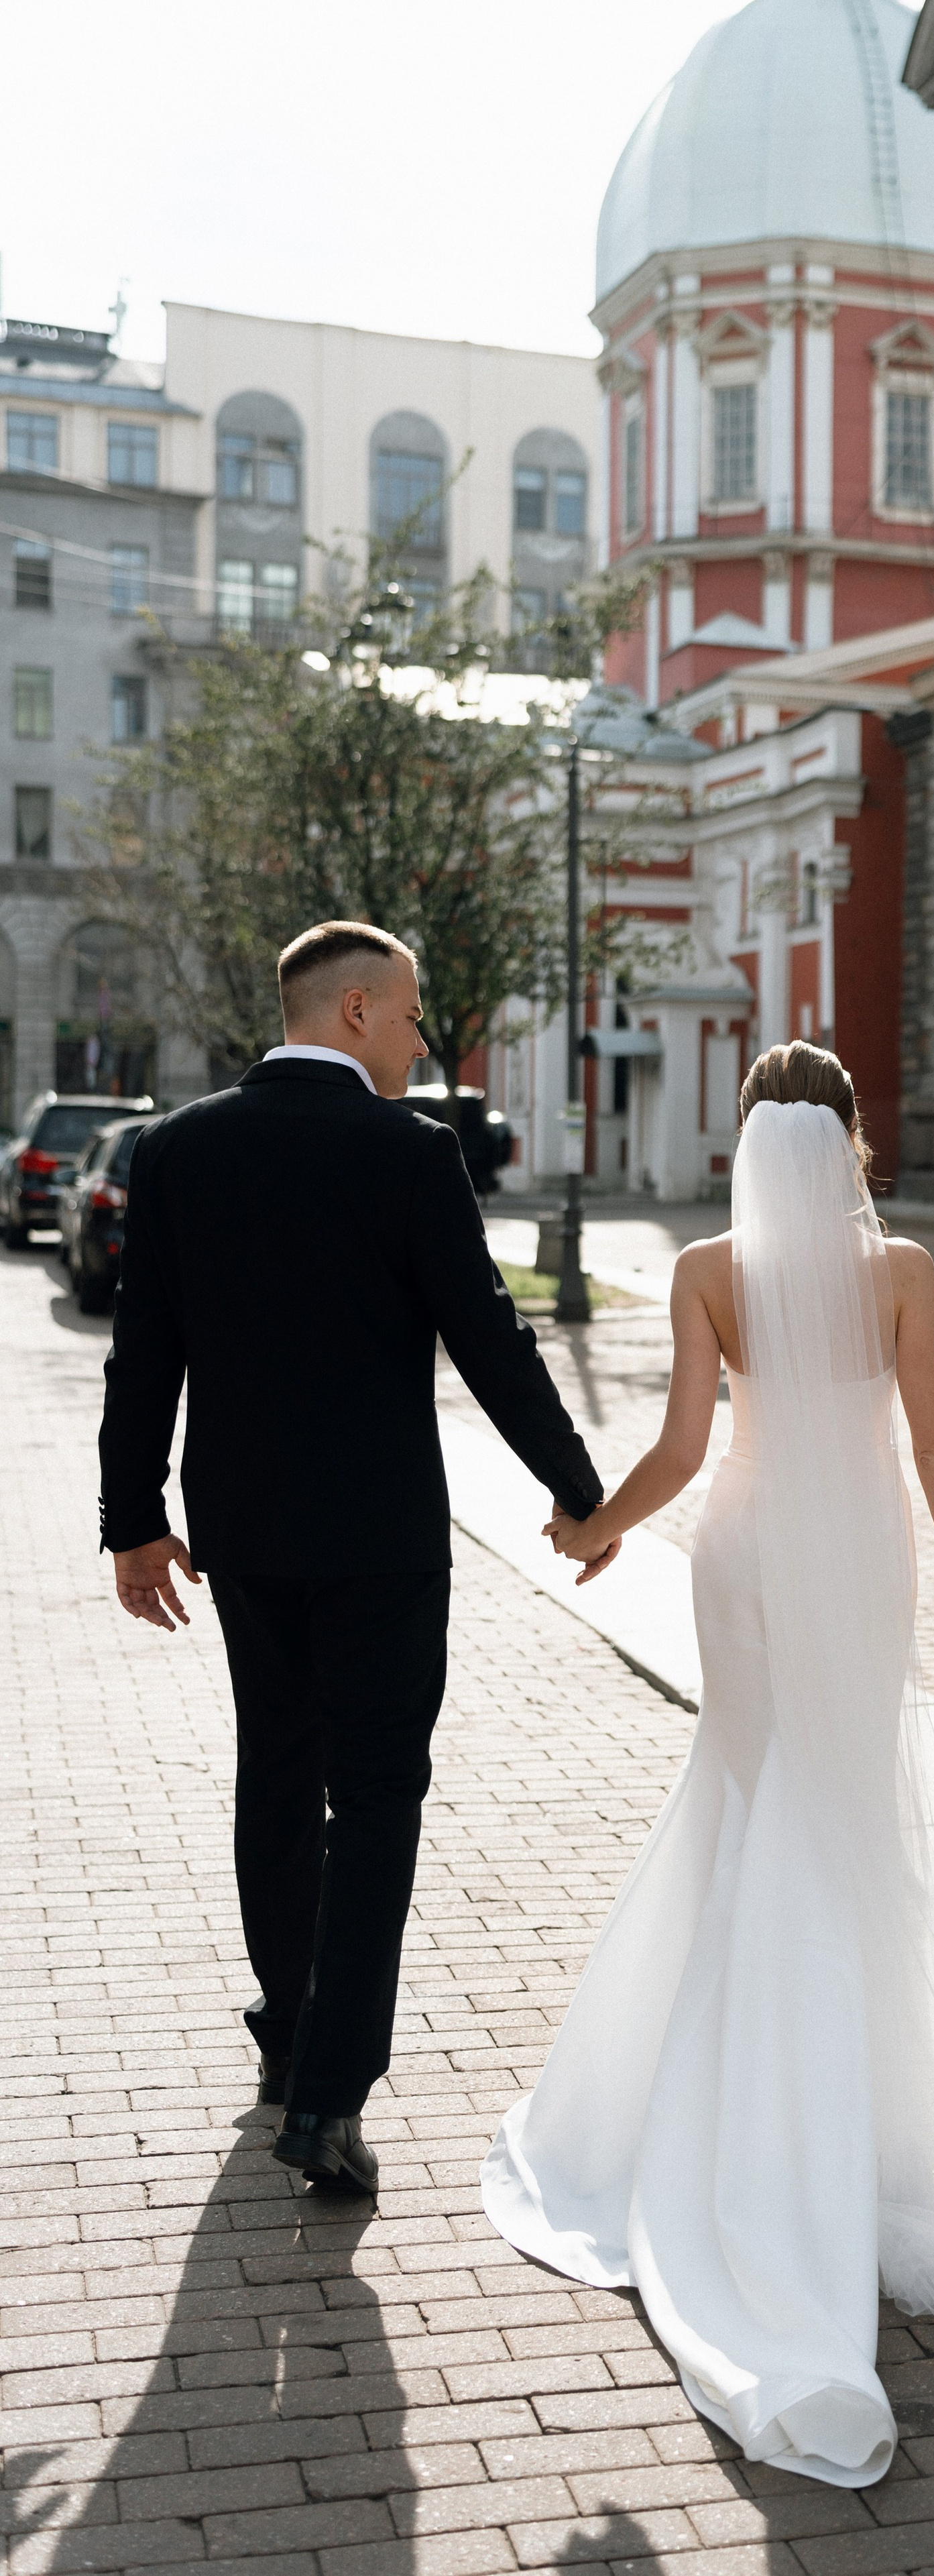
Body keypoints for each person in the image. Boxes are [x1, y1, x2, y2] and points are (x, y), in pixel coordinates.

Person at [482, 1042, 934, 2489]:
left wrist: (596, 1526)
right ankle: (850, 2135)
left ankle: (724, 2126)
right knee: (837, 1814)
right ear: (851, 1141)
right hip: (862, 1554)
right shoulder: (903, 1272)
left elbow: (680, 1446)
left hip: (750, 1547)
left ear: (745, 1141)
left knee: (748, 1791)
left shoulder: (707, 1268)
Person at [99, 920, 615, 2195]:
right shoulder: (410, 1153)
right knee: (376, 1797)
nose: (423, 1041)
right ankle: (329, 2096)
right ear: (356, 1011)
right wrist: (579, 1488)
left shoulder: (176, 1150)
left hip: (243, 1534)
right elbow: (490, 1340)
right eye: (415, 1014)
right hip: (380, 1541)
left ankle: (290, 2034)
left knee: (275, 1772)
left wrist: (133, 1520)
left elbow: (142, 1349)